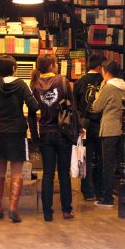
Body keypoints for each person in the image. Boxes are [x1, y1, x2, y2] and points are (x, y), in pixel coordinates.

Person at [0, 55, 39, 222]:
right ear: (14, 68)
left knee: (0, 169)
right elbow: (34, 105)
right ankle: (14, 208)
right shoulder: (21, 85)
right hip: (17, 131)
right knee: (16, 171)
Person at [29, 54, 82, 222]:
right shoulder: (63, 81)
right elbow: (72, 108)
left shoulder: (35, 85)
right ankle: (66, 210)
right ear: (52, 65)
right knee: (64, 173)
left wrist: (35, 136)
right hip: (63, 132)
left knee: (48, 173)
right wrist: (79, 128)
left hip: (45, 132)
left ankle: (47, 212)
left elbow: (31, 114)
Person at [92, 59, 125, 207]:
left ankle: (108, 198)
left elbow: (96, 107)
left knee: (108, 164)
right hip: (123, 129)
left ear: (106, 72)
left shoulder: (107, 87)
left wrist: (100, 89)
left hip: (109, 129)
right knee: (123, 164)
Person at [73, 53, 105, 201]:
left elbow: (74, 104)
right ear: (99, 67)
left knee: (85, 157)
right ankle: (101, 190)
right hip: (101, 124)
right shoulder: (104, 81)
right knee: (101, 157)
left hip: (84, 125)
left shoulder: (80, 82)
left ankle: (87, 191)